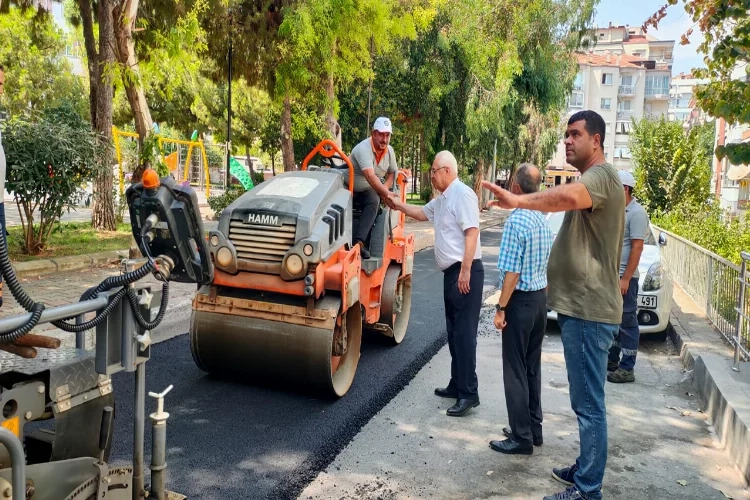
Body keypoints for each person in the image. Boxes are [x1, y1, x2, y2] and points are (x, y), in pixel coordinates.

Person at [482, 110, 624, 500]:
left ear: (595, 140)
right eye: (565, 135)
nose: (567, 141)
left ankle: (587, 489)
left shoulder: (600, 177)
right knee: (585, 401)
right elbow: (561, 202)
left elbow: (565, 197)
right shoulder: (594, 179)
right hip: (579, 308)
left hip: (589, 310)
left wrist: (518, 198)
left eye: (575, 135)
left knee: (589, 405)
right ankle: (585, 467)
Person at [390, 150, 483, 417]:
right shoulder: (442, 200)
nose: (431, 175)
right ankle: (457, 384)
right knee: (454, 333)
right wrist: (397, 204)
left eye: (433, 171)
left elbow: (472, 232)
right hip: (452, 274)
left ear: (447, 171)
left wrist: (465, 270)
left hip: (465, 273)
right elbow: (421, 213)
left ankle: (469, 393)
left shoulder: (462, 194)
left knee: (465, 335)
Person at [487, 163, 553, 456]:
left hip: (521, 301)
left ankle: (520, 437)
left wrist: (501, 307)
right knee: (531, 368)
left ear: (516, 187)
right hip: (539, 300)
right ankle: (533, 429)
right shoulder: (541, 218)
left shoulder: (517, 223)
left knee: (514, 370)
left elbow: (511, 273)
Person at [607, 170, 649, 384]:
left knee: (628, 323)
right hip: (613, 276)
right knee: (614, 321)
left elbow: (637, 248)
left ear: (625, 188)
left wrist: (625, 278)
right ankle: (612, 361)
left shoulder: (637, 213)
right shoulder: (618, 211)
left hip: (626, 279)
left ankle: (627, 368)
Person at [348, 116, 398, 259]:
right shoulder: (363, 149)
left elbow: (392, 173)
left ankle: (359, 243)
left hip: (368, 190)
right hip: (348, 187)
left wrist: (384, 189)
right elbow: (370, 176)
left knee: (374, 200)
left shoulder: (390, 152)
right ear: (373, 133)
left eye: (387, 135)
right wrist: (386, 194)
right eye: (381, 135)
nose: (384, 139)